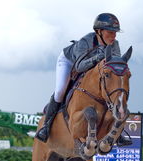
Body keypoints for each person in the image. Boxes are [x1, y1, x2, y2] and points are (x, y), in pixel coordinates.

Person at [35, 13, 132, 147]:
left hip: (94, 70)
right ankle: (46, 127)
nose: (114, 36)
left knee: (108, 89)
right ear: (99, 31)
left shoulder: (115, 44)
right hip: (70, 62)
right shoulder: (85, 42)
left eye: (115, 33)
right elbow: (79, 67)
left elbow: (112, 66)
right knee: (60, 91)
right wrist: (98, 58)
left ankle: (117, 133)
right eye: (110, 32)